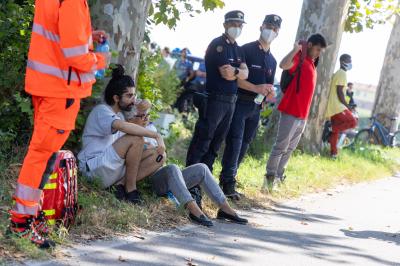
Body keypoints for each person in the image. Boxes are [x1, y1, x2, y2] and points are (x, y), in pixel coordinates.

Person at [8, 0, 109, 248]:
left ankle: (29, 216)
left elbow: (59, 34)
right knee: (41, 156)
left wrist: (87, 36)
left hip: (47, 85)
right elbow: (75, 54)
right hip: (59, 90)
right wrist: (99, 60)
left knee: (44, 156)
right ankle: (21, 223)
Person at [126, 101, 248, 227]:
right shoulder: (128, 134)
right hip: (149, 180)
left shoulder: (150, 129)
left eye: (148, 115)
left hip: (165, 176)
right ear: (130, 120)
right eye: (142, 116)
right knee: (172, 168)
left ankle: (224, 208)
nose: (146, 118)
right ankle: (192, 209)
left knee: (202, 168)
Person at [78, 65, 166, 204]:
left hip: (110, 167)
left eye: (134, 95)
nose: (134, 99)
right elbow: (124, 128)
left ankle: (119, 186)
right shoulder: (102, 111)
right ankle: (131, 190)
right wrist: (157, 136)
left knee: (159, 156)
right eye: (129, 96)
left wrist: (149, 143)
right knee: (136, 138)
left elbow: (130, 139)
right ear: (116, 98)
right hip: (94, 169)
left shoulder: (119, 115)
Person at [220, 14, 281, 200]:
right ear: (261, 26)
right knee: (235, 141)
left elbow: (268, 86)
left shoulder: (272, 60)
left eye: (275, 28)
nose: (271, 30)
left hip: (256, 107)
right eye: (268, 26)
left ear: (278, 32)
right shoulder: (245, 50)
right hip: (240, 102)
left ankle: (230, 178)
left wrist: (270, 94)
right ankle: (227, 183)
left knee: (245, 143)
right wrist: (255, 88)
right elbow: (236, 80)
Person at [186, 10, 249, 172]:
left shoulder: (238, 49)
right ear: (225, 25)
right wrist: (239, 72)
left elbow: (245, 74)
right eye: (234, 24)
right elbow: (225, 73)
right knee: (203, 140)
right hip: (215, 100)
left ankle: (203, 178)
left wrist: (236, 72)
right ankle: (190, 178)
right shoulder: (218, 45)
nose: (237, 27)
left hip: (230, 102)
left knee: (216, 144)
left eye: (240, 25)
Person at [264, 34, 327, 192]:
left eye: (321, 51)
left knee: (290, 148)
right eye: (317, 49)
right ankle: (269, 179)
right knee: (280, 146)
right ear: (310, 45)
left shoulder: (312, 63)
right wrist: (295, 50)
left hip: (302, 115)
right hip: (291, 110)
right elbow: (283, 65)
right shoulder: (299, 59)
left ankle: (278, 177)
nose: (319, 52)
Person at [325, 54, 357, 158]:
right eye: (349, 60)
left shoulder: (339, 73)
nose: (350, 62)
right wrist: (347, 106)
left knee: (336, 131)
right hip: (337, 106)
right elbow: (340, 92)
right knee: (353, 122)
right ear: (342, 61)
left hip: (332, 107)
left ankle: (333, 154)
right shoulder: (342, 73)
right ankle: (332, 128)